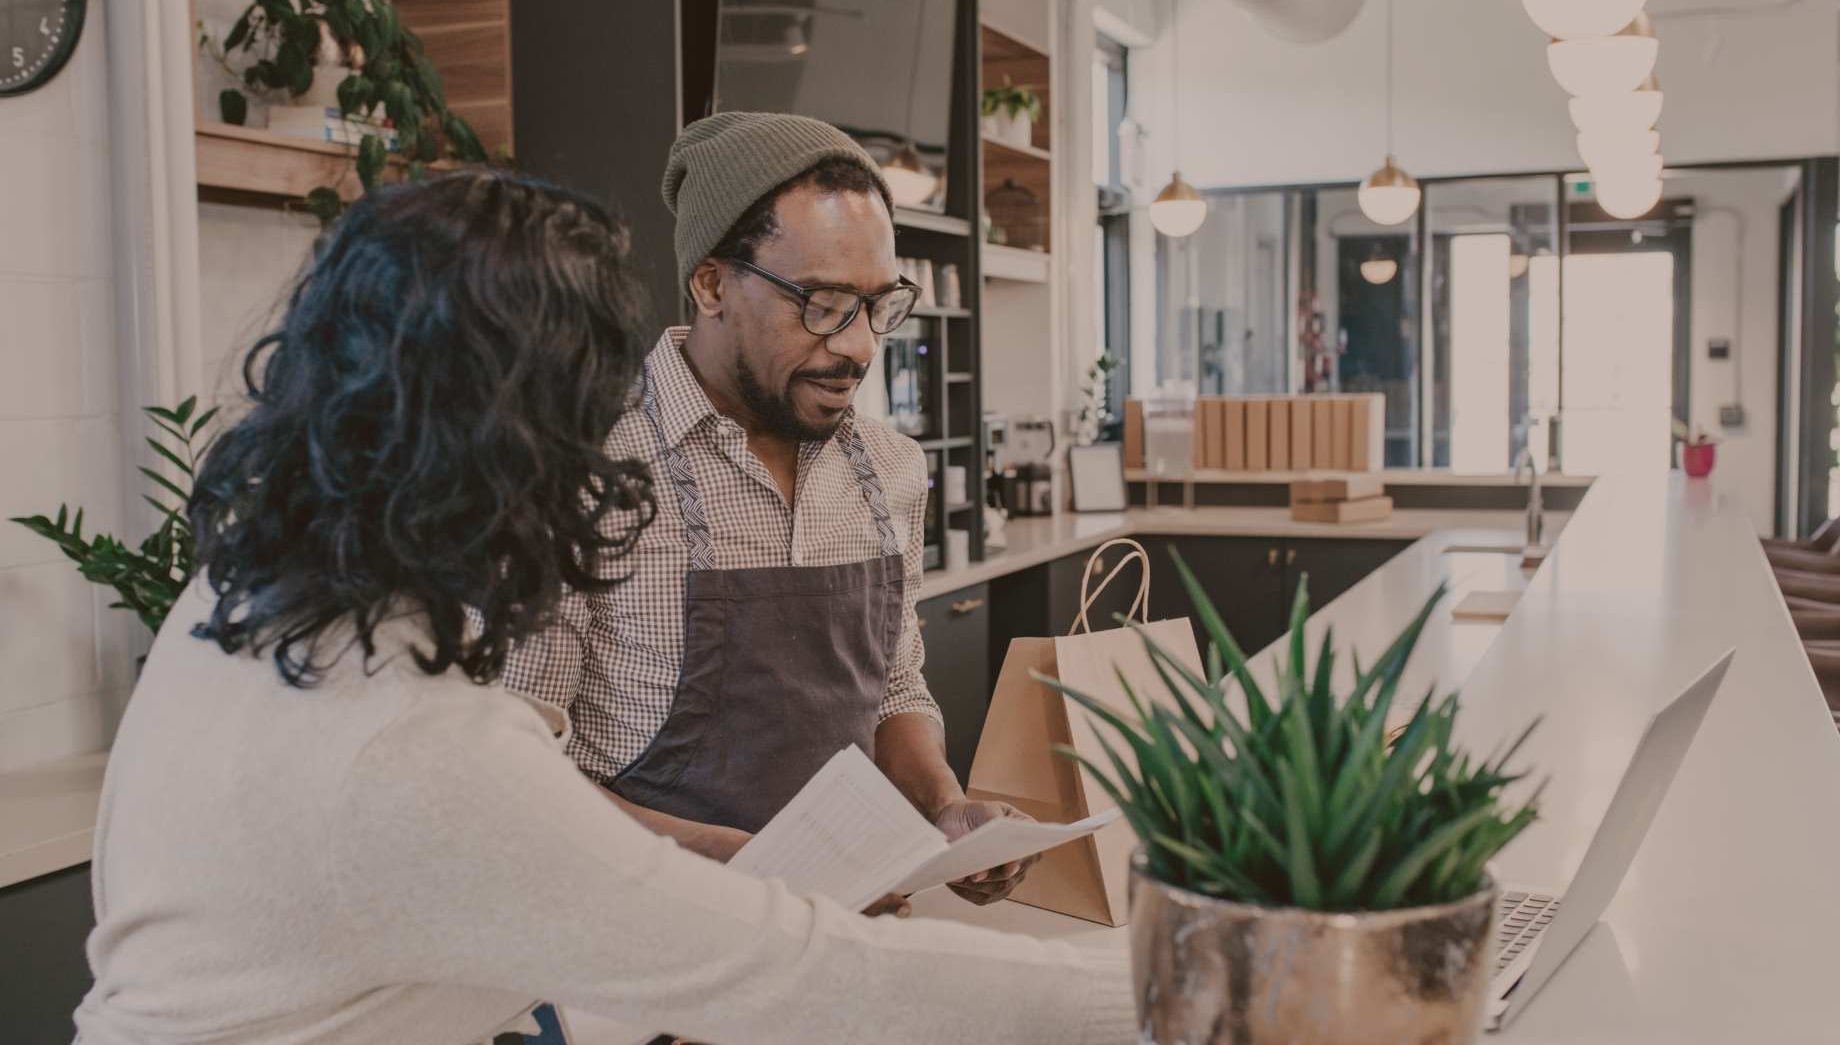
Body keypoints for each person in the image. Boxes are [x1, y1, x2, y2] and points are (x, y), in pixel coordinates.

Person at [70, 171, 1133, 1045]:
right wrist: (1158, 992)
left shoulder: (247, 604)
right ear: (510, 438)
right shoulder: (414, 747)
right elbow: (788, 972)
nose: (603, 456)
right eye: (578, 414)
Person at [499, 113, 1032, 905]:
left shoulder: (889, 468)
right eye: (821, 303)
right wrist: (731, 867)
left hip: (839, 941)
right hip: (643, 950)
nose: (857, 346)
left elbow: (893, 688)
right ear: (712, 284)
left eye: (878, 305)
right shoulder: (579, 468)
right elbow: (510, 762)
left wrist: (942, 810)